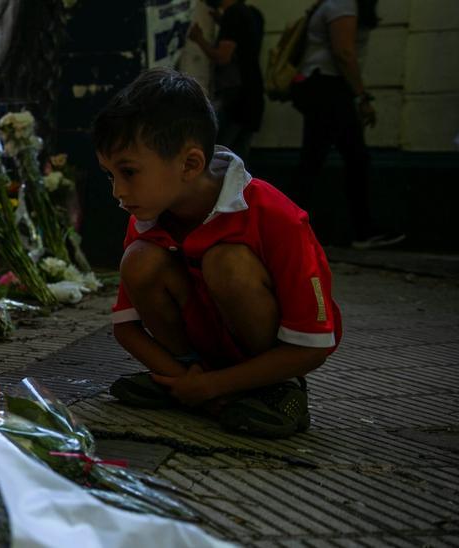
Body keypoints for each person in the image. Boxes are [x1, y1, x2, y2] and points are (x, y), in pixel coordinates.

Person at [94, 68, 341, 439]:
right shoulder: (148, 218)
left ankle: (276, 392)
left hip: (273, 359)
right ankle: (187, 381)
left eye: (129, 172)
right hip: (196, 367)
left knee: (226, 262)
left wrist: (210, 388)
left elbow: (312, 346)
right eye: (110, 175)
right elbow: (126, 329)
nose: (118, 191)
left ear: (190, 164)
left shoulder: (274, 216)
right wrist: (188, 381)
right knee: (140, 260)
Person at [291, 0, 403, 249]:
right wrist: (362, 96)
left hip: (320, 85)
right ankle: (362, 230)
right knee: (352, 158)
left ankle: (286, 227)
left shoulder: (334, 3)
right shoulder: (342, 4)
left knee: (318, 159)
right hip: (328, 85)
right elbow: (344, 52)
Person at [188, 0, 265, 164]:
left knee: (219, 154)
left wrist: (198, 38)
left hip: (236, 98)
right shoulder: (251, 13)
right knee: (238, 158)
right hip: (251, 94)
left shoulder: (233, 14)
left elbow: (223, 57)